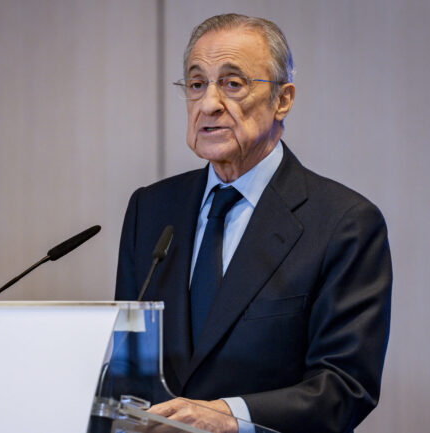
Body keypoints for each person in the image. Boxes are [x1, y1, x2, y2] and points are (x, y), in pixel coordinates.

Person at [115, 13, 392, 433]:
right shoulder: (150, 210)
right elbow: (127, 362)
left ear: (283, 99)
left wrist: (230, 415)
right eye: (196, 84)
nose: (208, 104)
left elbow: (345, 387)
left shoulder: (344, 223)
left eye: (232, 84)